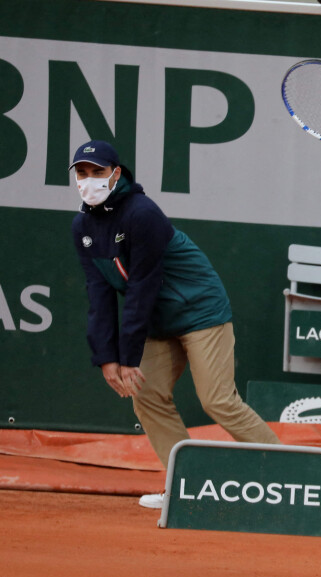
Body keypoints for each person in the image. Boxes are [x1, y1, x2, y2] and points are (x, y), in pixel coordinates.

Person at [69, 140, 280, 509]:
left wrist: (129, 355)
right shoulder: (82, 226)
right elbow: (99, 293)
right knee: (147, 396)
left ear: (116, 174)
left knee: (218, 400)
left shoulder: (142, 213)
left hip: (200, 312)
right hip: (157, 321)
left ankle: (292, 477)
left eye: (97, 172)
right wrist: (107, 357)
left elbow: (142, 286)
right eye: (82, 173)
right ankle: (187, 487)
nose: (89, 180)